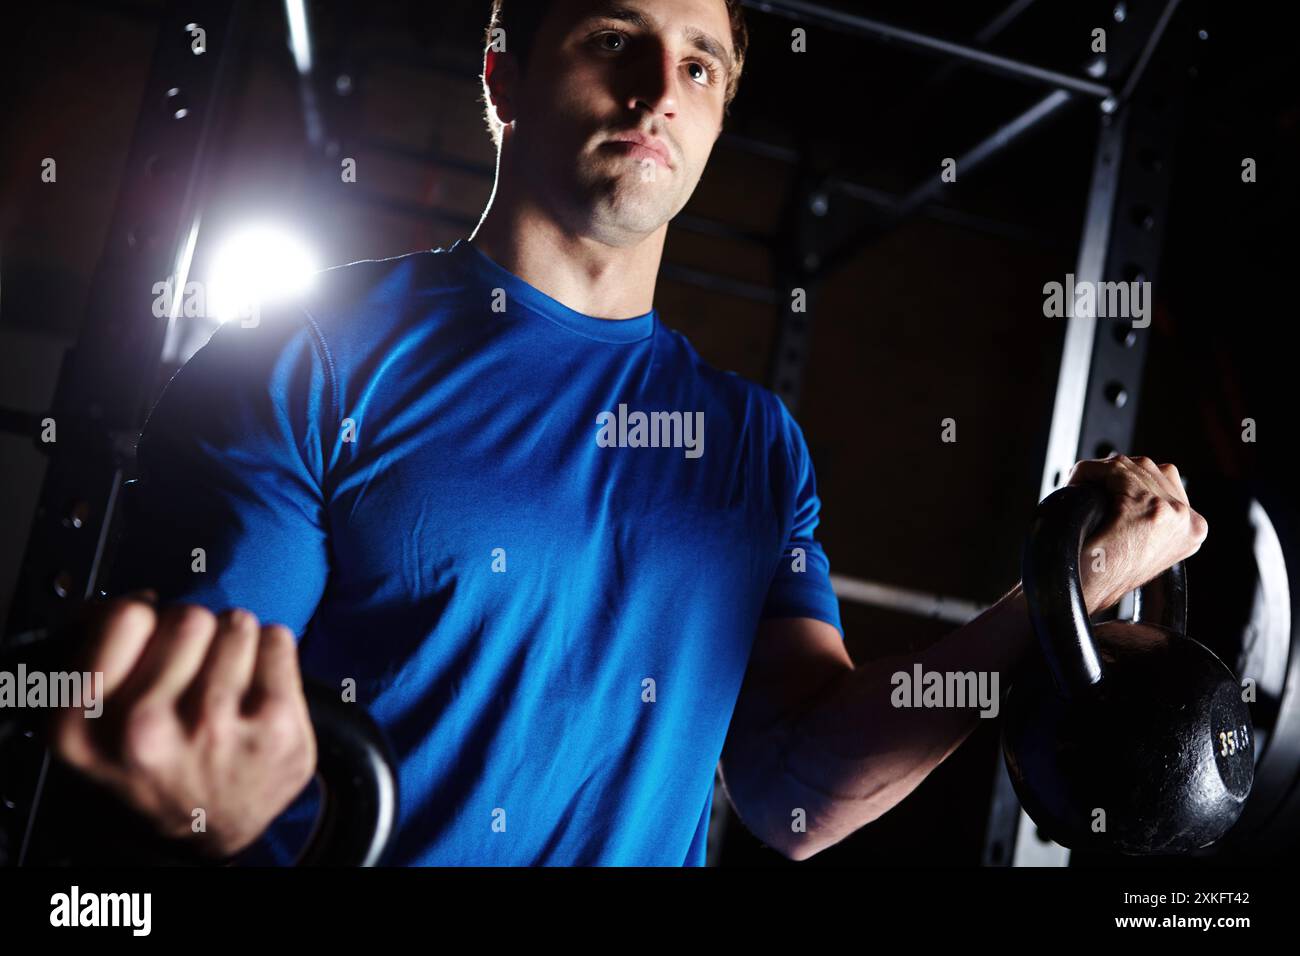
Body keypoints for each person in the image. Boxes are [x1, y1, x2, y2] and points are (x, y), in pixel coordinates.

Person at [50, 0, 1207, 865]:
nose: (660, 88)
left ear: (714, 116)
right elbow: (203, 740)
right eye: (615, 39)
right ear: (503, 71)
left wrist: (1065, 593)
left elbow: (794, 790)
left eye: (697, 64)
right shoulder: (307, 353)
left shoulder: (756, 447)